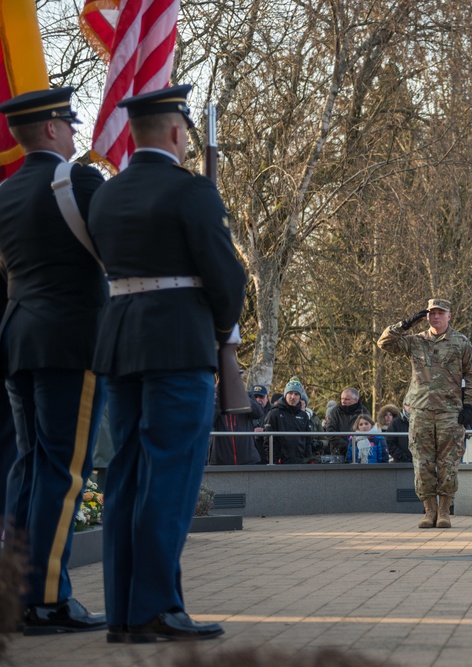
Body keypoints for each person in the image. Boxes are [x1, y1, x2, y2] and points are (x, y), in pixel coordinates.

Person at [88, 85, 244, 642]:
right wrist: (218, 331)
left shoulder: (104, 196)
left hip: (119, 344)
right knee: (170, 479)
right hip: (179, 344)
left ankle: (125, 612)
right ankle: (156, 607)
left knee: (125, 476)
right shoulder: (192, 192)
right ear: (178, 132)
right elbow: (228, 279)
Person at [0, 87, 108, 634]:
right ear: (49, 129)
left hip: (18, 341)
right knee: (64, 472)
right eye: (68, 122)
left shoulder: (5, 192)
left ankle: (15, 591)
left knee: (28, 466)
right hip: (70, 342)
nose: (74, 131)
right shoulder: (79, 182)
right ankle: (45, 600)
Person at [378, 298, 472, 528]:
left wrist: (469, 406)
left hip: (450, 412)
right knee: (422, 463)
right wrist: (405, 324)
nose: (436, 317)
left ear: (449, 316)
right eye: (431, 313)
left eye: (440, 313)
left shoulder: (461, 342)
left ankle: (444, 511)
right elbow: (384, 343)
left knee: (448, 463)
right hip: (421, 410)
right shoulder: (416, 341)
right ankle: (429, 510)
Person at [209, 384, 266, 465]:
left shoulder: (247, 395)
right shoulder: (213, 397)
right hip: (220, 459)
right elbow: (207, 422)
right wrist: (218, 398)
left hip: (247, 458)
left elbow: (259, 413)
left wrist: (242, 395)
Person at [262, 377, 313, 464]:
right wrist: (273, 461)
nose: (293, 397)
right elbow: (268, 441)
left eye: (296, 394)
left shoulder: (303, 415)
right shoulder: (274, 413)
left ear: (300, 396)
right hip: (280, 463)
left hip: (300, 463)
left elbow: (308, 440)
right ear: (285, 395)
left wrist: (307, 459)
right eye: (290, 393)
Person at [323, 387, 370, 457]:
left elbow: (368, 431)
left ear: (356, 400)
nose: (343, 401)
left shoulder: (364, 412)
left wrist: (355, 446)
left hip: (359, 452)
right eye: (342, 399)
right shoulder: (335, 412)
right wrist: (345, 446)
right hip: (338, 453)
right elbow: (330, 431)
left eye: (347, 399)